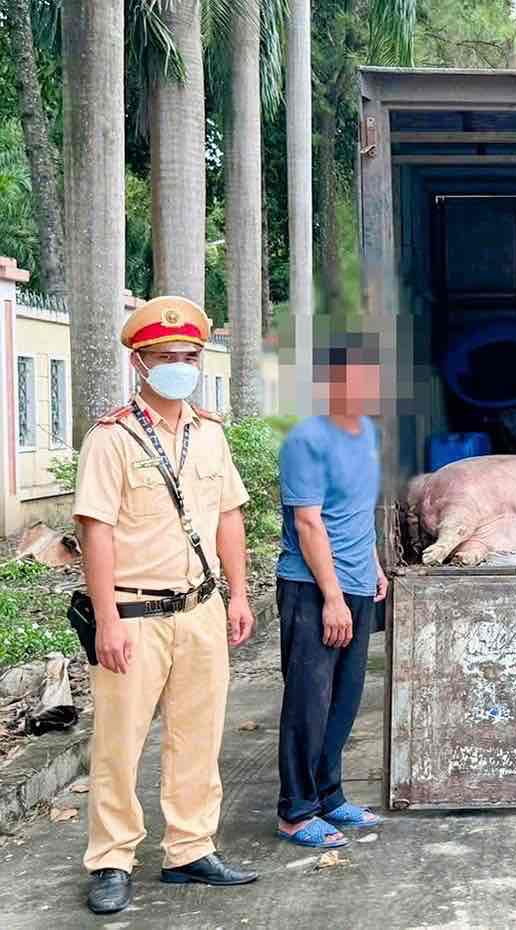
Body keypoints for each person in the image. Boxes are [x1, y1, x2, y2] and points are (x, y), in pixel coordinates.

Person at [74, 296, 258, 915]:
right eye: (167, 357)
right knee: (119, 744)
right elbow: (95, 531)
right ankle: (110, 858)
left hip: (202, 610)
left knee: (197, 738)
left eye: (189, 355)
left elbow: (229, 515)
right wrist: (105, 620)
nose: (181, 365)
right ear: (139, 363)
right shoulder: (112, 439)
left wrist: (239, 594)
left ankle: (189, 849)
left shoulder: (209, 432)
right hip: (134, 615)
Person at [275, 339, 388, 849]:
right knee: (309, 701)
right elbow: (308, 523)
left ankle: (330, 795)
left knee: (344, 699)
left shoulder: (368, 434)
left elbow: (359, 511)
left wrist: (375, 566)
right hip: (313, 588)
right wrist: (334, 598)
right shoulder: (306, 439)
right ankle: (296, 812)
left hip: (358, 583)